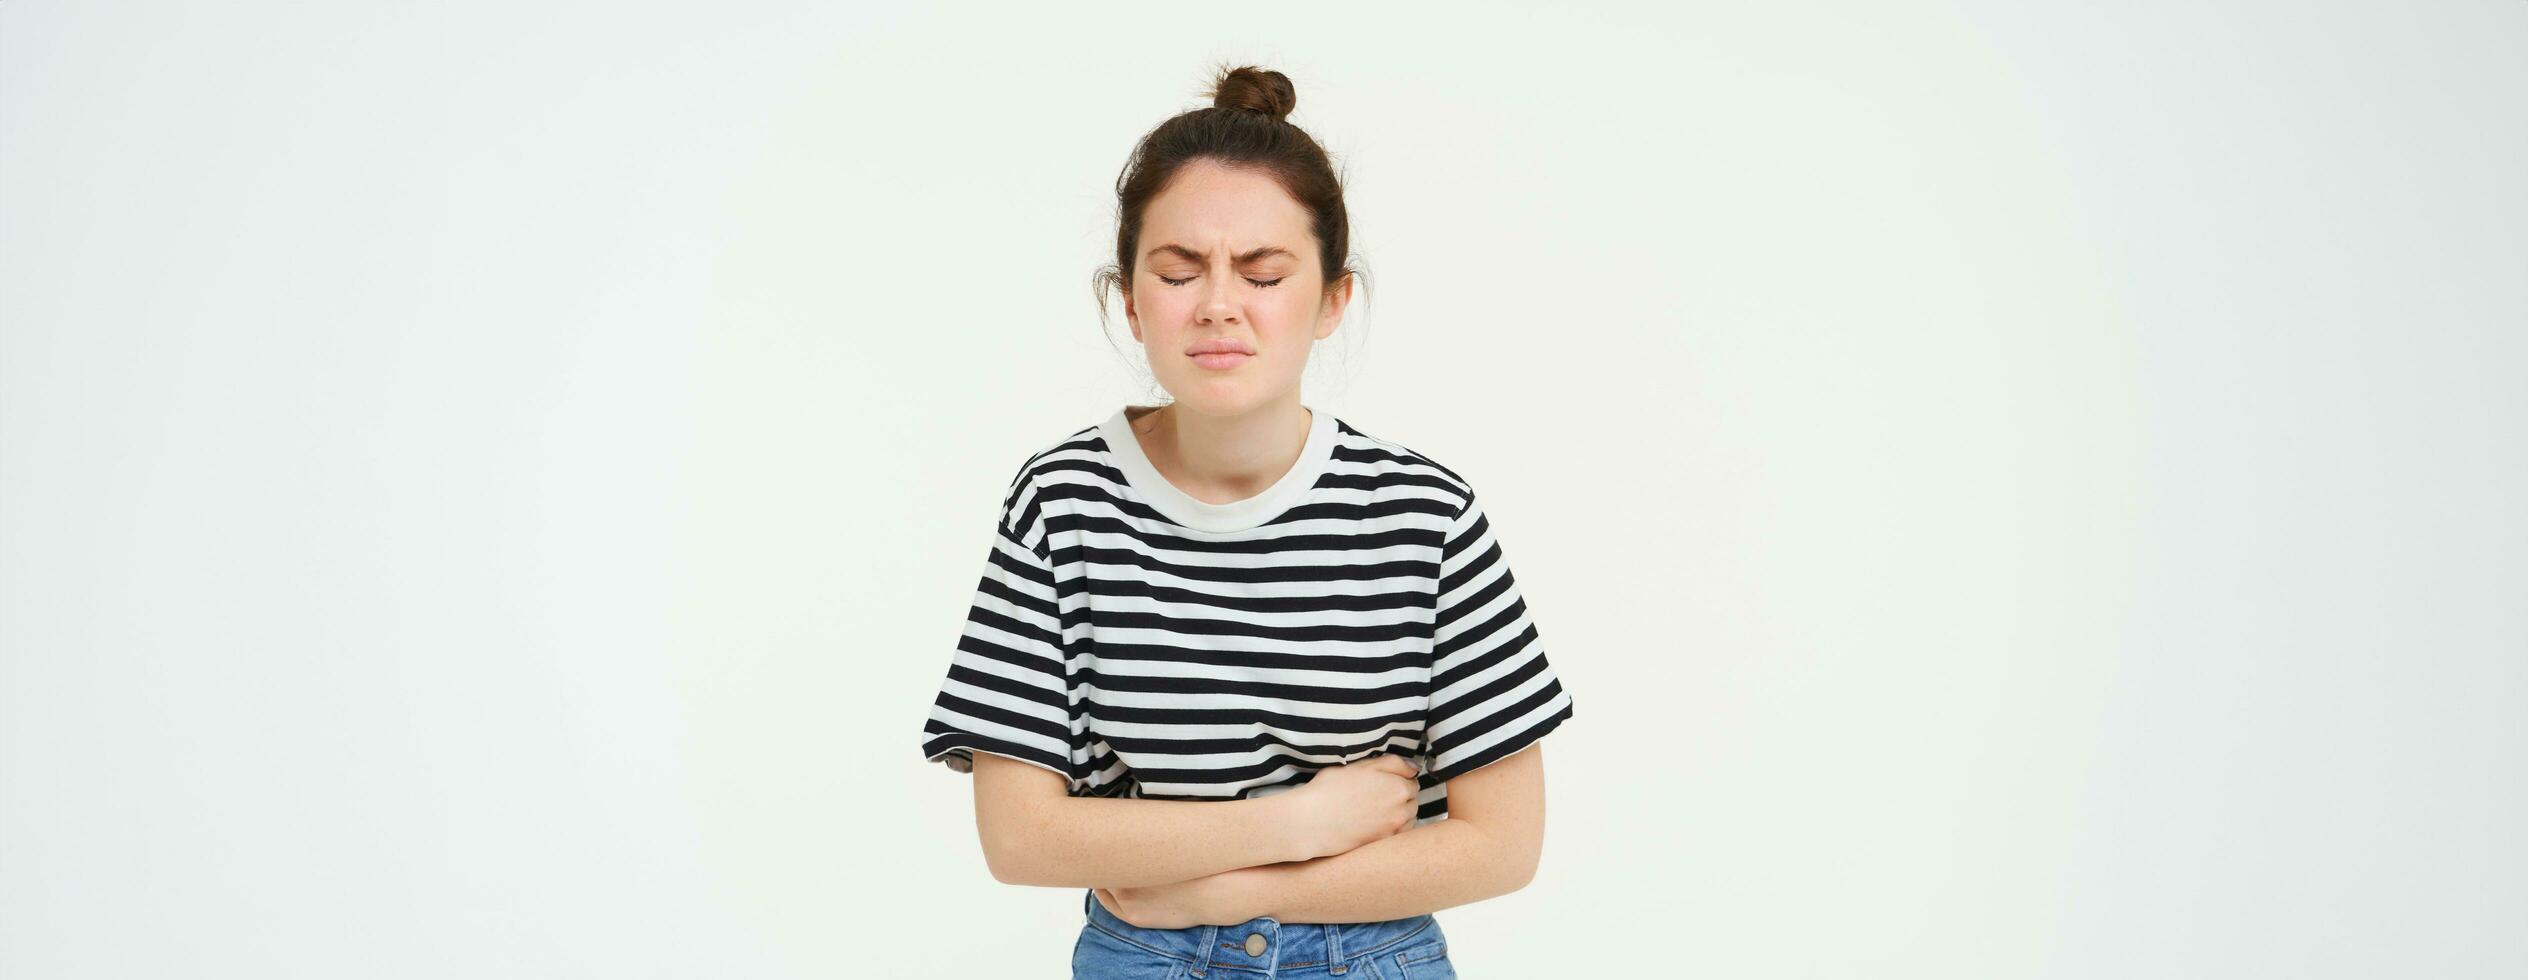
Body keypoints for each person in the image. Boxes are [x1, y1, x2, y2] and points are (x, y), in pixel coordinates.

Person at [917, 64, 1576, 980]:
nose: (1220, 303)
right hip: (1143, 954)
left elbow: (1503, 846)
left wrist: (1225, 891)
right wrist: (1291, 825)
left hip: (1369, 952)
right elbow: (1020, 838)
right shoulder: (1064, 499)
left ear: (1331, 301)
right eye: (1179, 272)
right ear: (1131, 304)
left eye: (1263, 274)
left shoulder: (1427, 515)